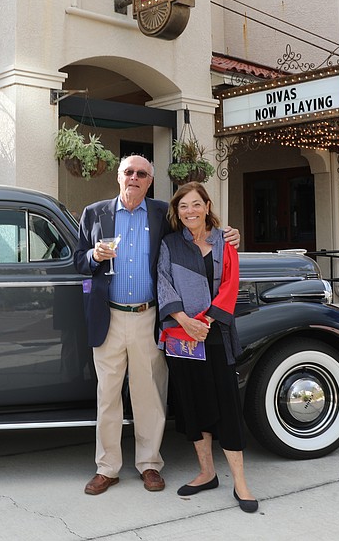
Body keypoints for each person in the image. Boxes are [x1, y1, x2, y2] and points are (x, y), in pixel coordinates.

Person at [74, 155, 239, 496]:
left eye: (142, 174)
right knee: (107, 396)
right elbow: (78, 260)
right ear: (119, 177)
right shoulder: (94, 213)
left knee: (150, 394)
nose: (134, 178)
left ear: (150, 181)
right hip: (109, 315)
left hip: (149, 316)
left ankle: (149, 464)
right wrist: (95, 256)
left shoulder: (162, 213)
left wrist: (226, 233)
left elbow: (194, 230)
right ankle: (107, 468)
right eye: (129, 172)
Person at [156, 182, 257, 513]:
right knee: (193, 404)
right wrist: (185, 321)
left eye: (195, 204)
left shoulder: (224, 242)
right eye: (183, 206)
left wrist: (207, 321)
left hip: (215, 333)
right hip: (183, 336)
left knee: (227, 405)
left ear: (207, 205)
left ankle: (240, 482)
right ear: (177, 210)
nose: (190, 211)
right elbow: (163, 282)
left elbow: (231, 283)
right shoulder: (171, 244)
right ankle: (207, 472)